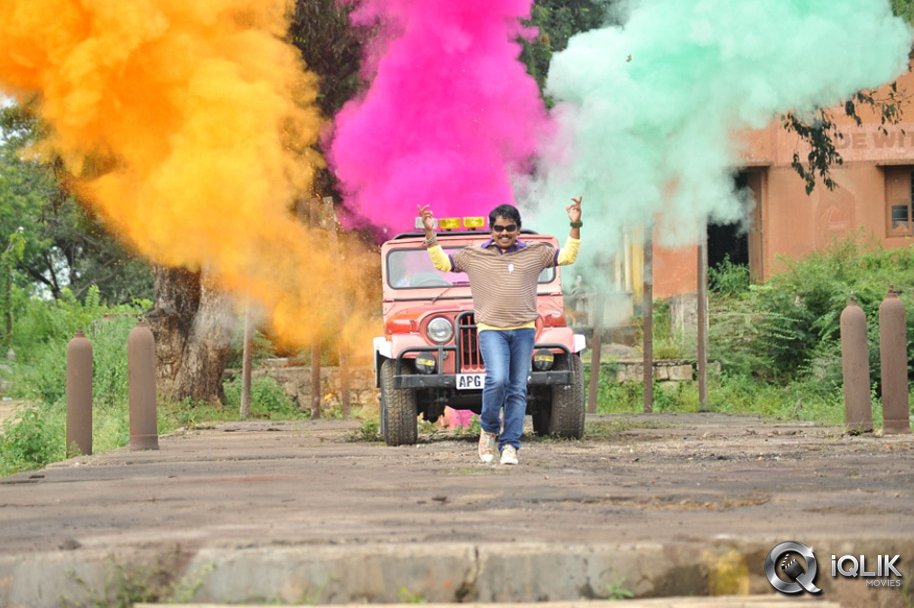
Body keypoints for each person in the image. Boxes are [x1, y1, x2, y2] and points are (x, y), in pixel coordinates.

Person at [418, 198, 583, 465]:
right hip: (491, 330)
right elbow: (443, 264)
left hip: (524, 331)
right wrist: (429, 234)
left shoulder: (535, 253)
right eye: (498, 228)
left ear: (518, 229)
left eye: (509, 228)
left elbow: (567, 256)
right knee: (496, 380)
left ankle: (510, 446)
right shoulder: (474, 255)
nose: (504, 233)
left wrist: (575, 223)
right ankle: (489, 430)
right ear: (491, 230)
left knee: (517, 388)